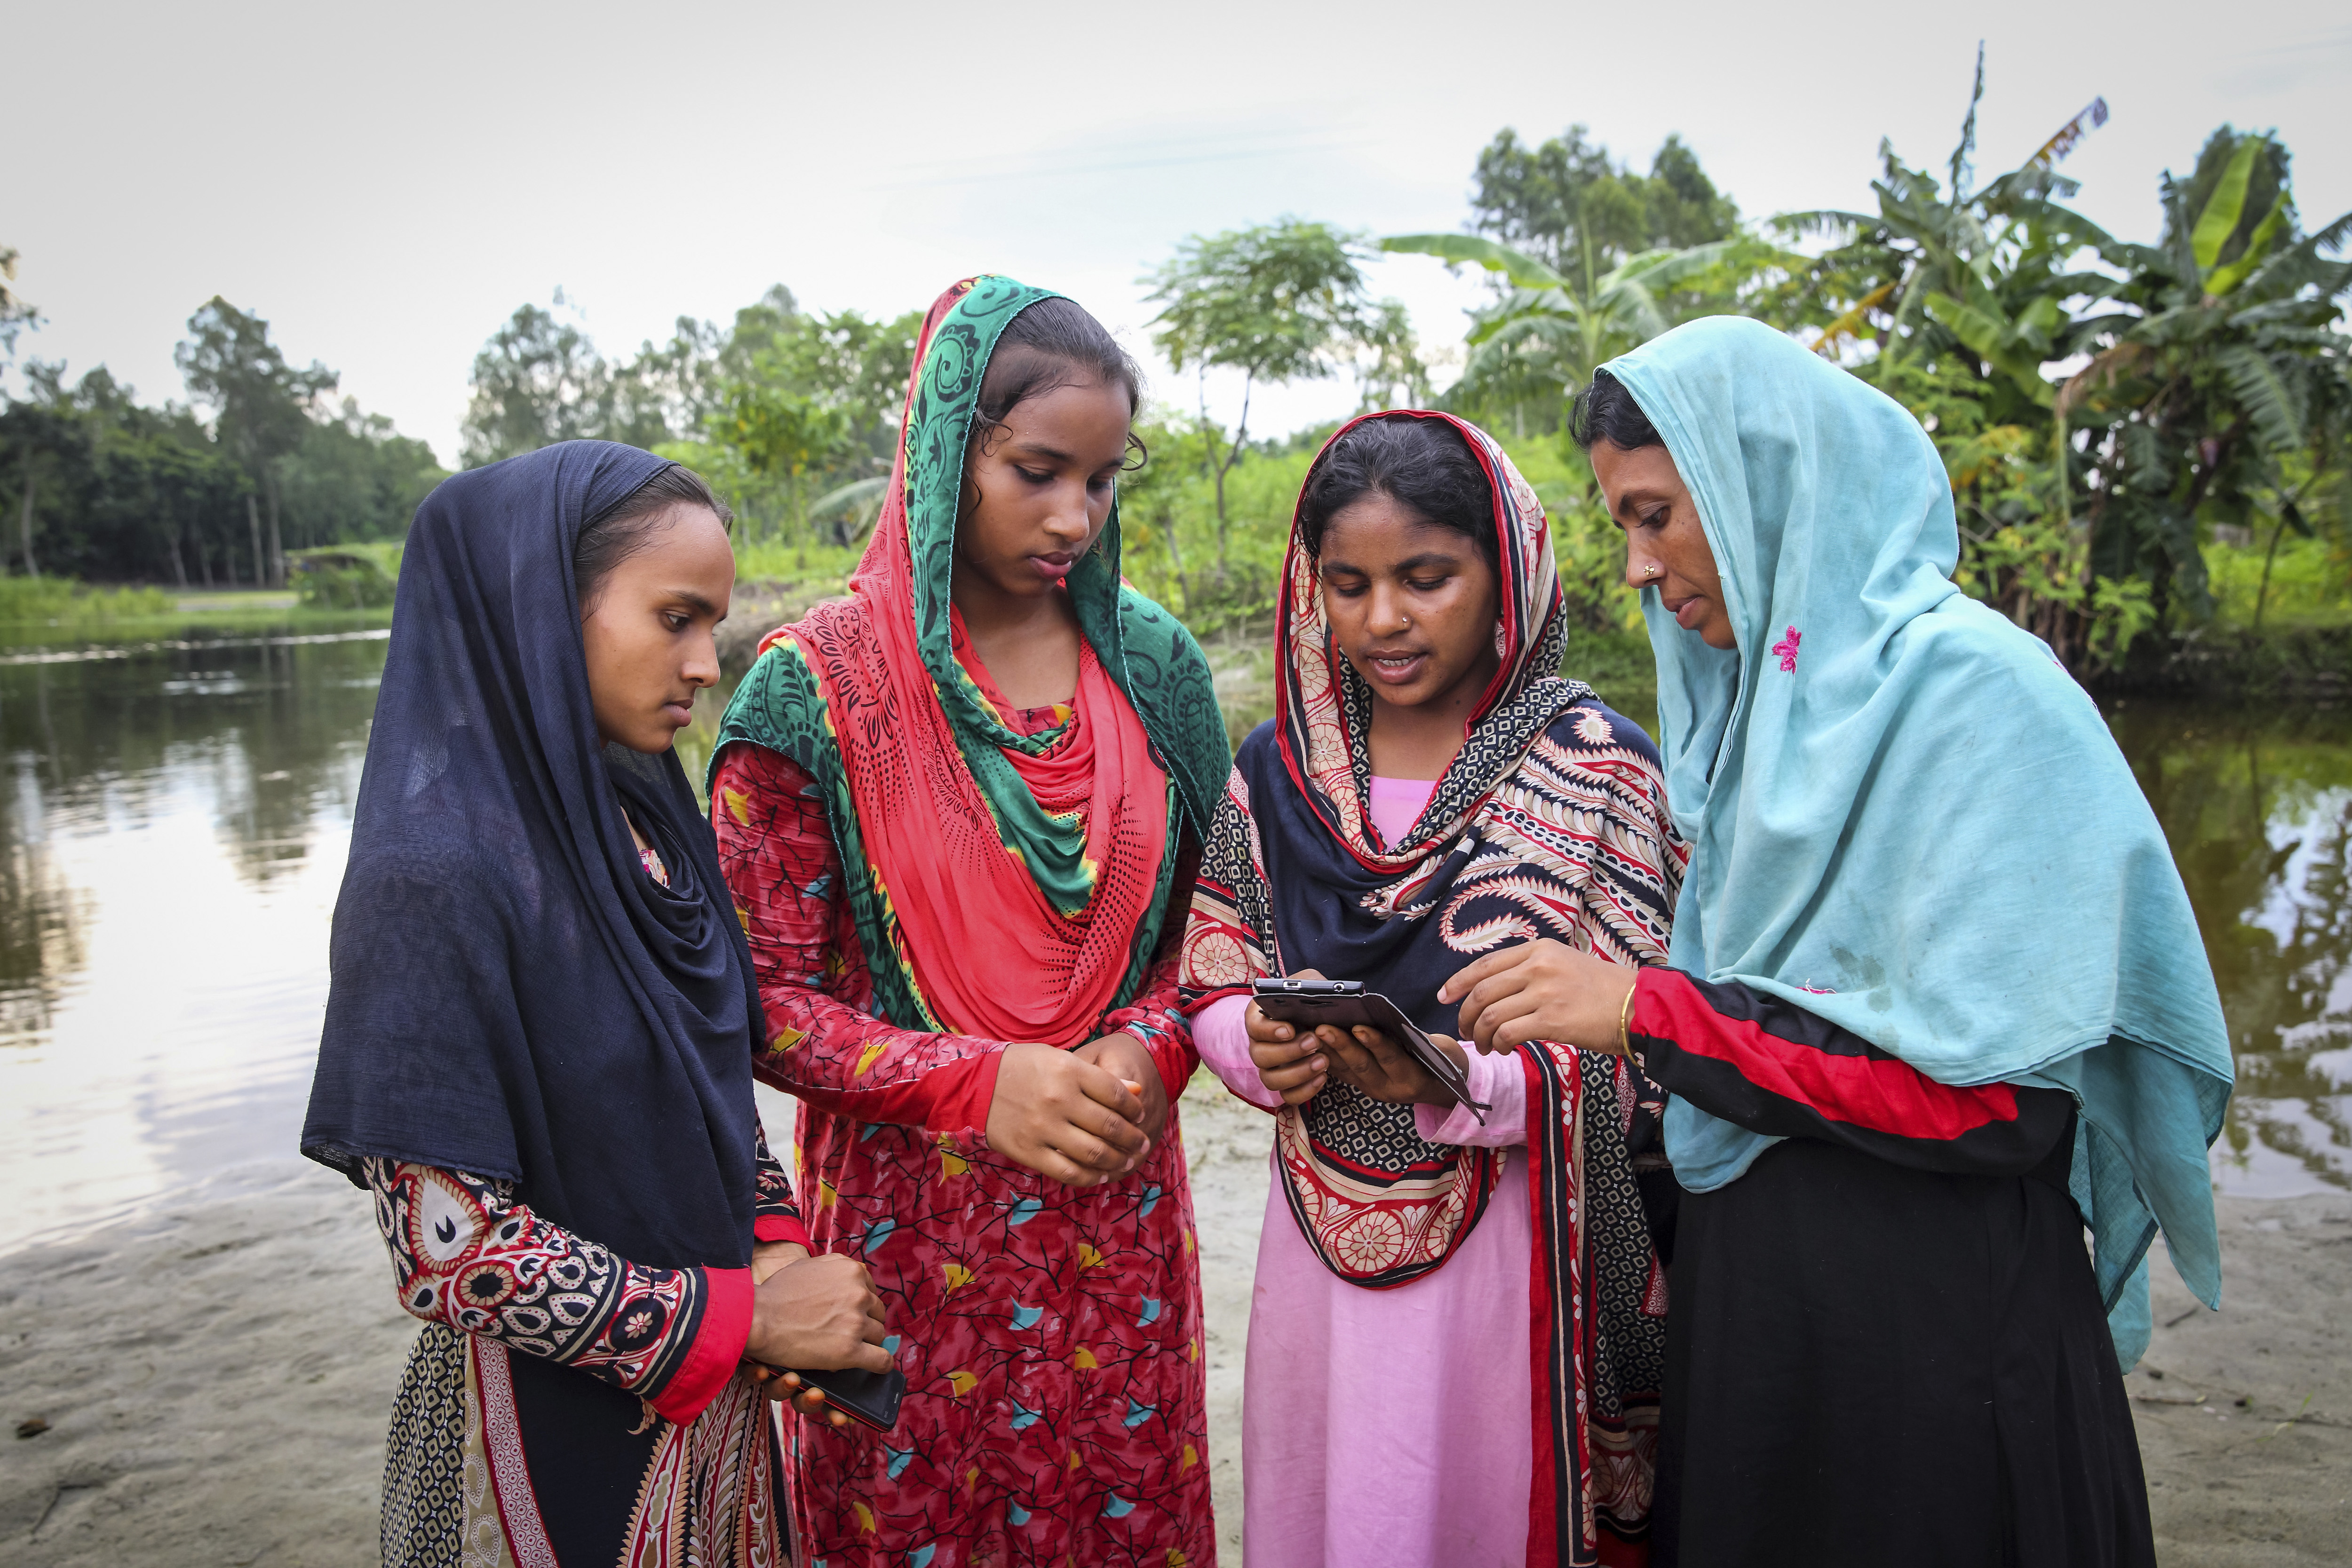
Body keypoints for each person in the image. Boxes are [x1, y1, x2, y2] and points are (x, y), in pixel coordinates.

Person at [1442, 316, 2234, 1567]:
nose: (1639, 567)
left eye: (1658, 513)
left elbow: (1999, 1109)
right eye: (1620, 527)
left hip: (1935, 1336)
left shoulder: (1979, 698)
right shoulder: (1756, 723)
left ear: (1769, 488)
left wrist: (1649, 1011)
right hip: (1770, 1317)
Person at [707, 277, 1232, 1566]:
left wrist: (1153, 1047)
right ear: (951, 448)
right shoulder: (814, 690)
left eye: (1103, 480)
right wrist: (975, 1082)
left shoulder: (1153, 667)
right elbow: (755, 999)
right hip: (902, 1240)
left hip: (1117, 1228)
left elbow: (1220, 931)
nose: (1074, 516)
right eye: (1038, 470)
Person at [301, 444, 894, 1567]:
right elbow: (447, 1244)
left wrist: (770, 1246)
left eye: (708, 624)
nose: (702, 663)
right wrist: (743, 1317)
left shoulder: (646, 831)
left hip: (712, 1401)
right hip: (543, 1424)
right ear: (541, 608)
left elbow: (704, 1087)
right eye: (672, 617)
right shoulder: (430, 877)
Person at [1176, 411, 1684, 1568]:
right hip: (1321, 1244)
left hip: (1520, 1249)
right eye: (1346, 584)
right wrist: (1258, 1044)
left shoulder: (1598, 764)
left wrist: (1478, 1083)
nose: (1382, 619)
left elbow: (1659, 1033)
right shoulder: (1278, 768)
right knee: (1344, 1498)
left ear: (1503, 569)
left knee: (1474, 1498)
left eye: (1424, 578)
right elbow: (1212, 965)